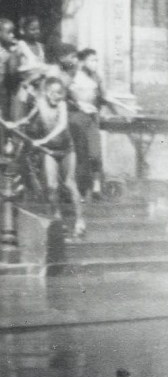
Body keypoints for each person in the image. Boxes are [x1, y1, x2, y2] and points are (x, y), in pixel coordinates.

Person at [16, 70, 85, 238]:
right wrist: (15, 124)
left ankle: (80, 220)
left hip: (66, 150)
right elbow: (28, 119)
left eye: (59, 93)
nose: (56, 96)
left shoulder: (62, 105)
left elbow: (61, 126)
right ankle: (58, 219)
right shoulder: (40, 103)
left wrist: (43, 140)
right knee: (51, 186)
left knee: (69, 183)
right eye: (53, 92)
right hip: (50, 151)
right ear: (46, 92)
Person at [64, 47, 115, 200]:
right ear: (83, 62)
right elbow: (64, 96)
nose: (95, 63)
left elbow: (103, 97)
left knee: (95, 153)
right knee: (80, 154)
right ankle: (80, 190)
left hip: (92, 119)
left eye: (96, 60)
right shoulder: (73, 75)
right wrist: (77, 105)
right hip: (76, 118)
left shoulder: (97, 77)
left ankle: (96, 188)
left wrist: (113, 108)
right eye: (92, 60)